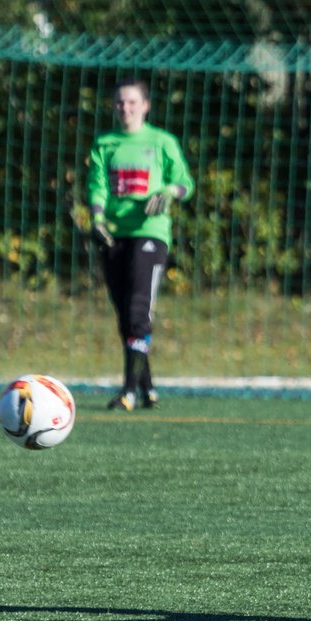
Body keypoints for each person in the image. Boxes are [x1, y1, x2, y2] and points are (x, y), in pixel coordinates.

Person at [86, 78, 195, 411]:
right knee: (125, 318)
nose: (125, 108)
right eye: (120, 102)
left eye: (132, 102)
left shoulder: (162, 141)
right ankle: (147, 387)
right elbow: (98, 186)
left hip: (150, 233)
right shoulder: (105, 143)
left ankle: (129, 391)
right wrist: (98, 219)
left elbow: (184, 182)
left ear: (145, 106)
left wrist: (168, 193)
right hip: (114, 235)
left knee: (137, 311)